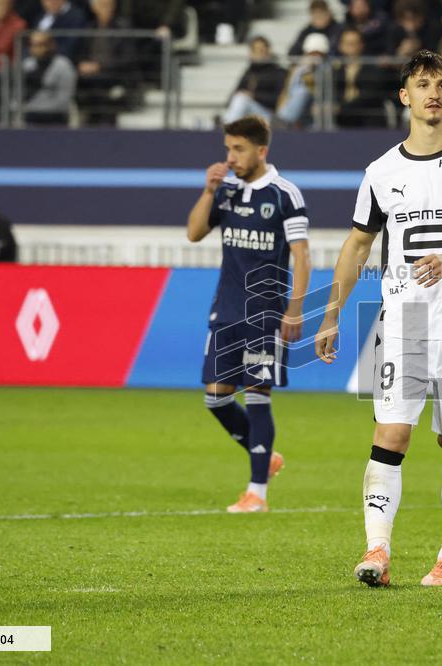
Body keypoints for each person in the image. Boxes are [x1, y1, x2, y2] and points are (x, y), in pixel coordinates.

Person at [315, 50, 442, 588]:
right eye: (423, 84)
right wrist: (332, 316)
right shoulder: (380, 171)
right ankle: (377, 551)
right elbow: (356, 245)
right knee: (391, 433)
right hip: (404, 322)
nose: (433, 93)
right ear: (405, 96)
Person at [186, 115, 311, 514]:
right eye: (227, 149)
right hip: (225, 309)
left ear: (261, 151)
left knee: (258, 396)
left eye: (238, 149)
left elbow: (302, 255)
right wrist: (208, 191)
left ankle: (257, 491)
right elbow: (193, 233)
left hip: (266, 312)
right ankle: (266, 457)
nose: (230, 157)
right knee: (216, 400)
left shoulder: (285, 193)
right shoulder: (227, 191)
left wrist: (295, 309)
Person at [222, 35, 287, 123]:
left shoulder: (278, 72)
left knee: (242, 100)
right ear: (251, 53)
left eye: (262, 50)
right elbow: (234, 95)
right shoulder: (249, 72)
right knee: (240, 99)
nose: (259, 53)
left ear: (269, 51)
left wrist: (254, 95)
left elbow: (277, 100)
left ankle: (227, 129)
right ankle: (226, 126)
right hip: (247, 112)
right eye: (255, 50)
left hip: (268, 114)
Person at [22, 29, 76, 125]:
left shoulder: (63, 65)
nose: (35, 48)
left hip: (55, 117)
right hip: (30, 116)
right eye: (32, 45)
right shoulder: (27, 65)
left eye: (40, 44)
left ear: (50, 45)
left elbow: (65, 98)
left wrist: (42, 109)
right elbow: (20, 94)